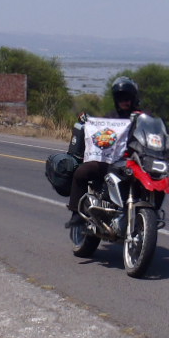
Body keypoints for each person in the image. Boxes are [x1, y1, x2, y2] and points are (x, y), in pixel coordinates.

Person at [64, 75, 140, 228]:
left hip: (137, 163)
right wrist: (87, 120)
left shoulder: (143, 117)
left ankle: (149, 212)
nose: (124, 101)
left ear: (133, 99)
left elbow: (154, 135)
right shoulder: (111, 117)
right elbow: (100, 133)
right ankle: (76, 213)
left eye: (127, 98)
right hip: (111, 162)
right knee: (82, 172)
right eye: (120, 98)